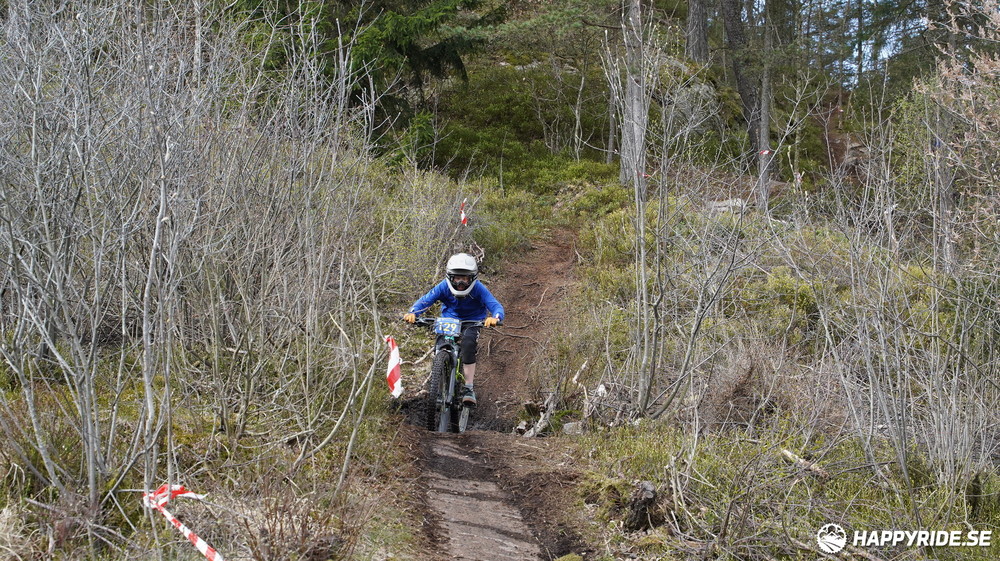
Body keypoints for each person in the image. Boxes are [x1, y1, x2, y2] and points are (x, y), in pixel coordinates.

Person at [403, 253, 504, 406]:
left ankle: (469, 387)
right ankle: (438, 374)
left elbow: (495, 305)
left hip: (472, 321)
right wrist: (413, 312)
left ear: (472, 277)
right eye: (457, 278)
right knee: (440, 345)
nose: (461, 282)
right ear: (450, 277)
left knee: (468, 344)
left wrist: (495, 318)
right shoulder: (443, 286)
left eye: (465, 278)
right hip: (448, 320)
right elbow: (426, 300)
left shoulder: (478, 289)